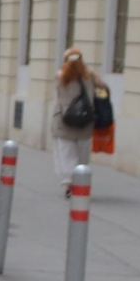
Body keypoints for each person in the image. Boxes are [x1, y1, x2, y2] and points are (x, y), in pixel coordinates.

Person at [52, 48, 102, 195]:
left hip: (64, 121)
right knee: (82, 154)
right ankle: (80, 181)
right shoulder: (90, 76)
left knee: (66, 154)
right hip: (85, 122)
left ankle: (69, 183)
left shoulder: (61, 77)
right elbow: (103, 86)